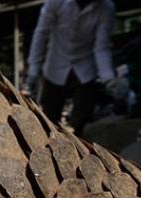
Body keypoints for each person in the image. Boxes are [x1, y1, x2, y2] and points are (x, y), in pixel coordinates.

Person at [26, 0, 116, 134]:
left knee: (81, 121)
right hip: (55, 67)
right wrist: (33, 71)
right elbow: (41, 34)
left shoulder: (106, 8)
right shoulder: (56, 2)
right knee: (48, 121)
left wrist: (109, 78)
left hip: (85, 68)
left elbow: (101, 47)